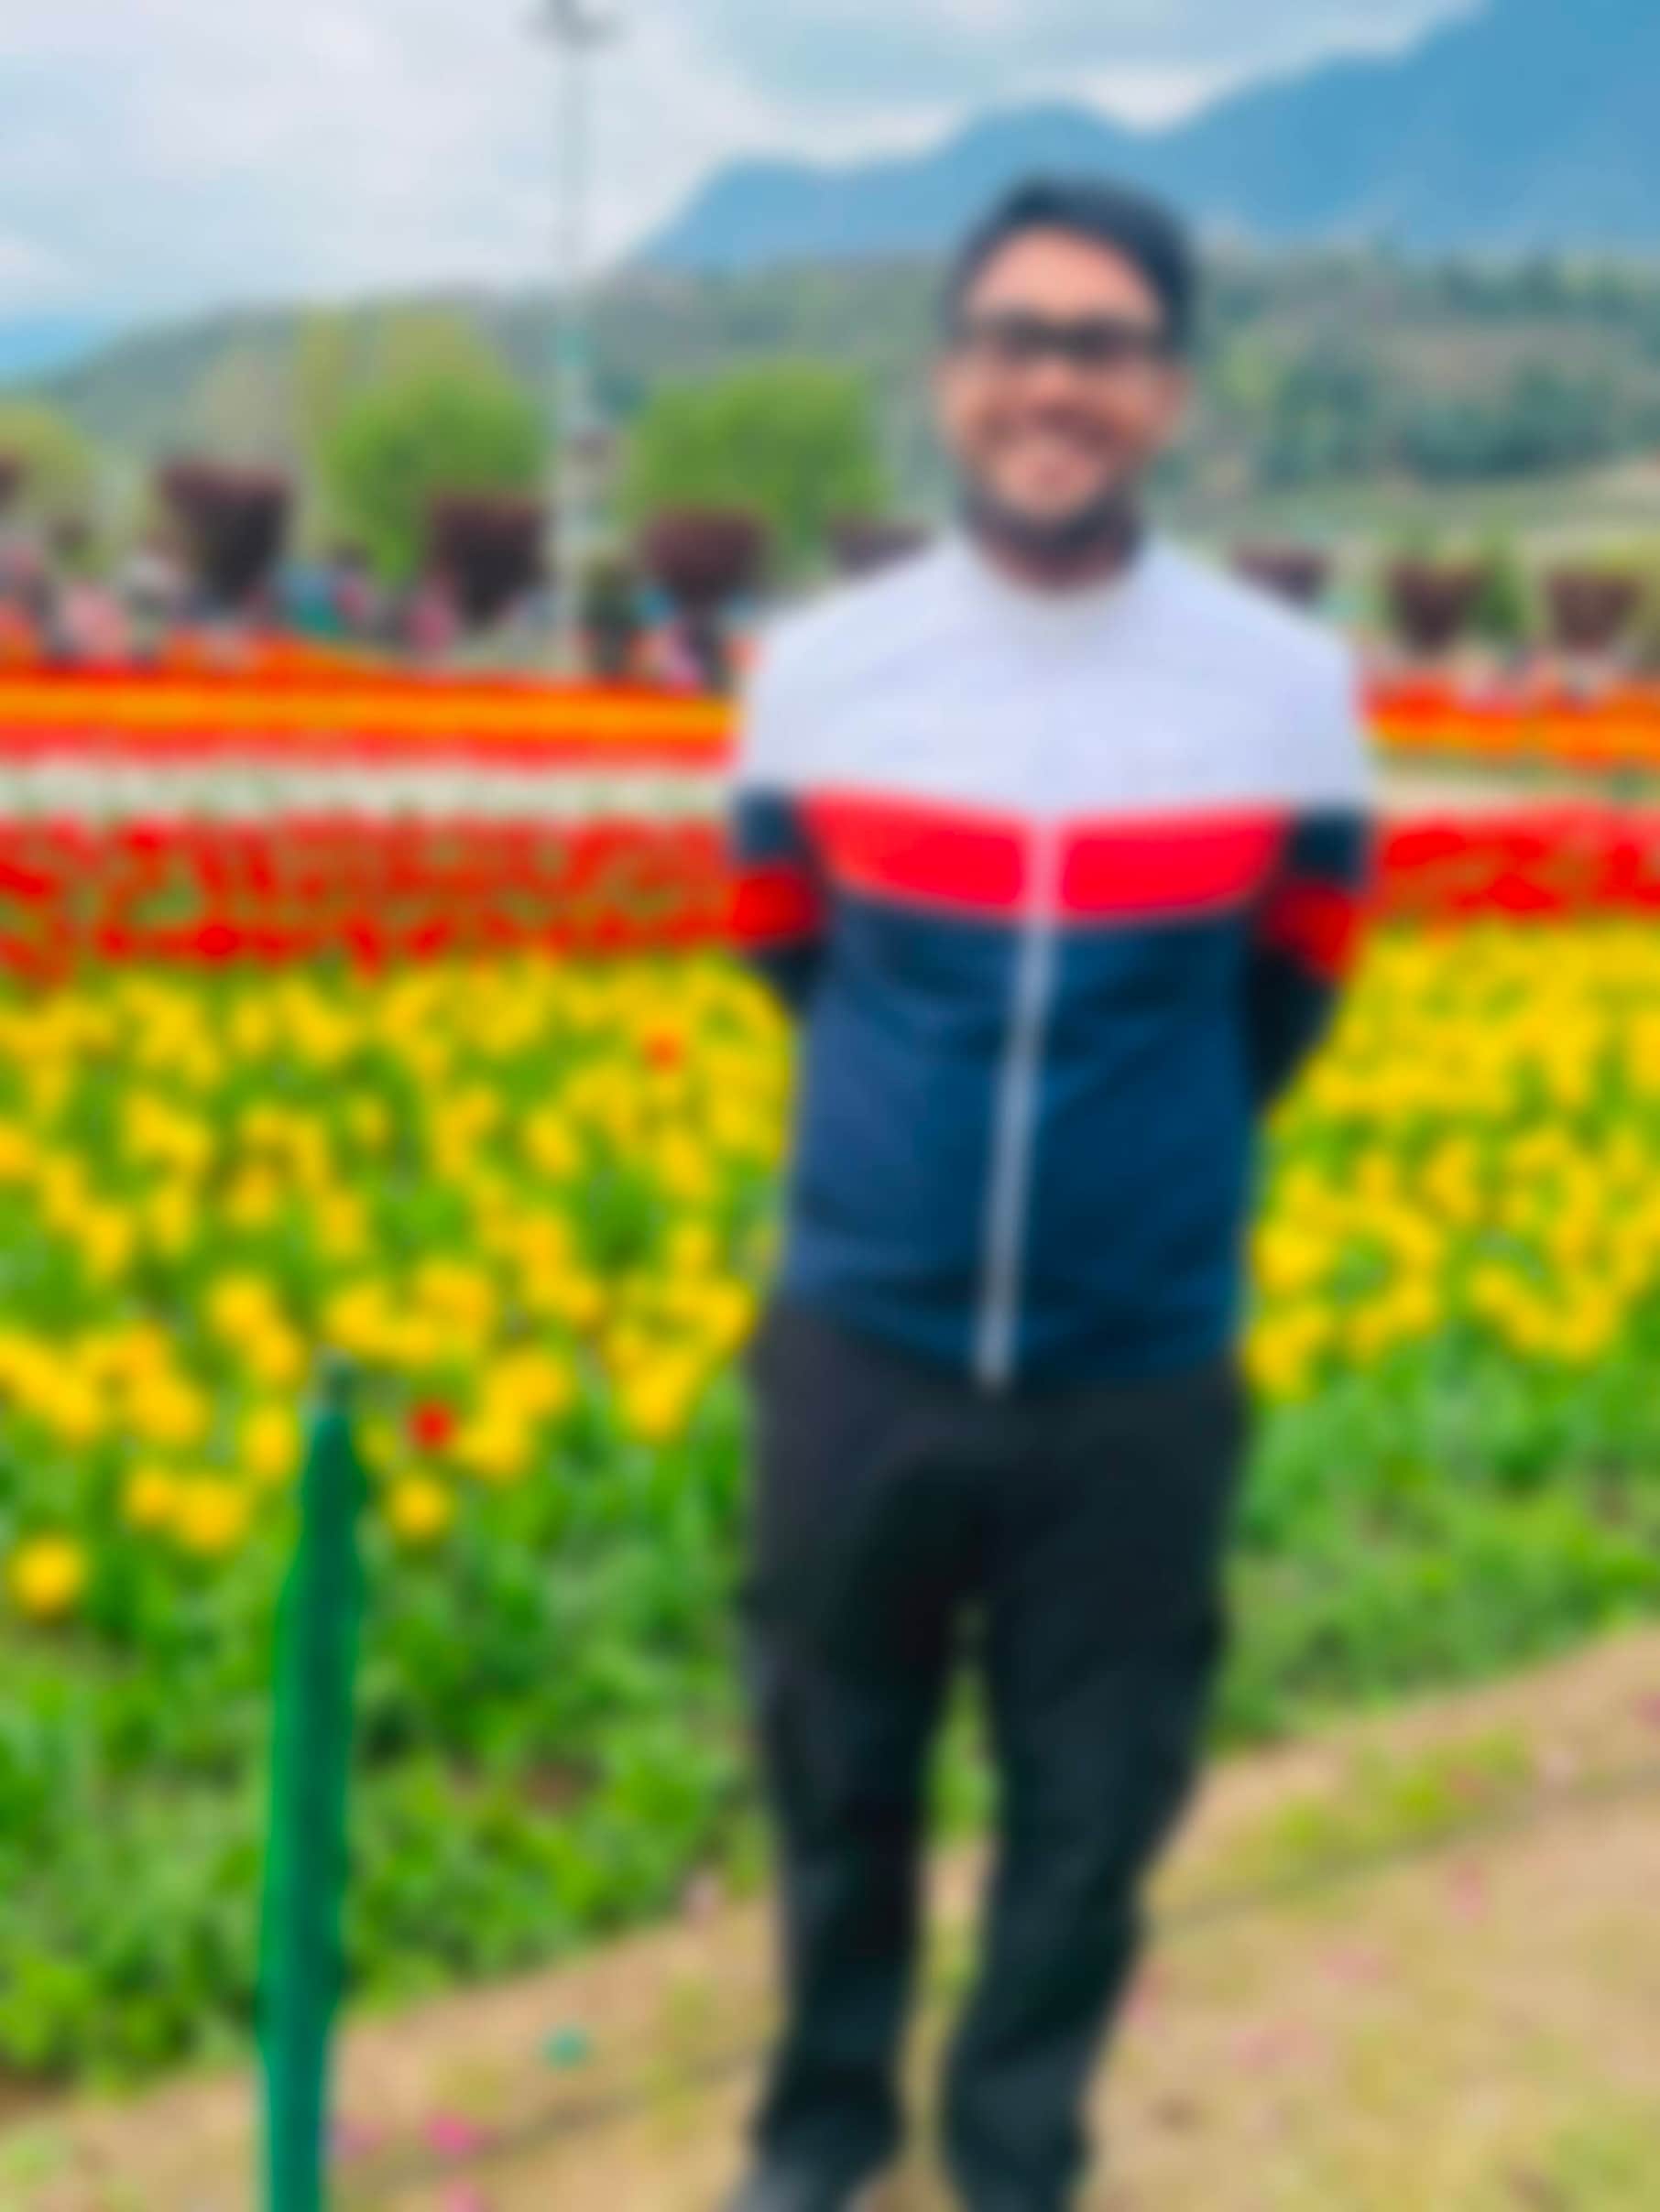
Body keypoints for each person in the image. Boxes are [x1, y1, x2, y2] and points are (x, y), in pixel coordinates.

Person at [726, 177, 1374, 2212]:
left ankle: (1015, 2155)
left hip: (1135, 1366)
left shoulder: (1285, 689)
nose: (1056, 384)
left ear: (1168, 391)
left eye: (1105, 346)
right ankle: (824, 2133)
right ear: (953, 373)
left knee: (1096, 1807)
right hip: (864, 1338)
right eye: (1017, 338)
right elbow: (787, 943)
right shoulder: (820, 672)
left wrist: (1132, 1168)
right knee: (836, 1771)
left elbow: (1293, 982)